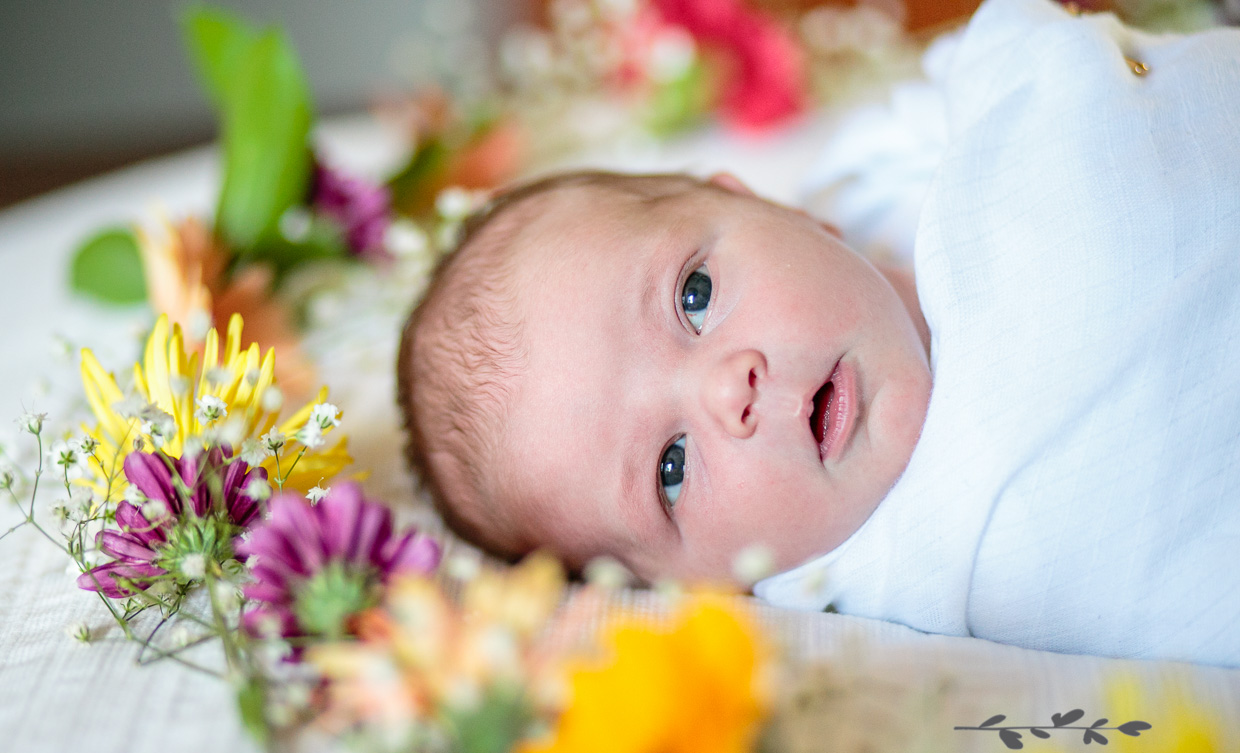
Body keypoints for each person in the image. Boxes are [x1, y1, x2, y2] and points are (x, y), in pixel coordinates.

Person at [398, 0, 1240, 667]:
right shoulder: (881, 579)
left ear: (776, 207)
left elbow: (1026, 60)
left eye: (694, 295)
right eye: (671, 467)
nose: (730, 389)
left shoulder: (911, 170)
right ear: (700, 589)